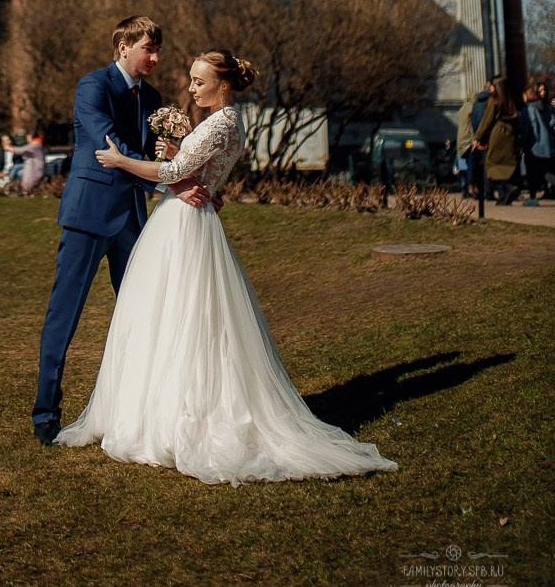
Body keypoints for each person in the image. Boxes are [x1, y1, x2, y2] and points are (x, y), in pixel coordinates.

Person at [55, 50, 398, 484]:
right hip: (193, 217)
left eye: (200, 82)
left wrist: (122, 161)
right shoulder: (230, 122)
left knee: (178, 315)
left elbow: (176, 170)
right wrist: (191, 173)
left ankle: (178, 416)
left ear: (223, 85)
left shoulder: (219, 122)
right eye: (192, 81)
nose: (192, 89)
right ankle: (162, 408)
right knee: (177, 316)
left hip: (183, 225)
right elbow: (194, 172)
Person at [33, 16, 209, 446]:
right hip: (88, 216)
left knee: (145, 313)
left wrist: (176, 156)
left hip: (133, 219)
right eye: (149, 48)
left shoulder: (152, 96)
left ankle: (141, 412)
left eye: (158, 50)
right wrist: (169, 180)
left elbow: (153, 150)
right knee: (65, 314)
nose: (155, 57)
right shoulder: (92, 86)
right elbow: (108, 145)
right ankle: (45, 413)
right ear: (123, 46)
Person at [471, 76, 520, 204]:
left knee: (491, 163)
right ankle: (505, 196)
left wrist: (477, 138)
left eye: (492, 85)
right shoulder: (510, 100)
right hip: (509, 133)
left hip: (497, 133)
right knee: (506, 163)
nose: (491, 88)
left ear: (497, 87)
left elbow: (486, 121)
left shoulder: (493, 100)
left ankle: (508, 187)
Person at [518, 82, 554, 203]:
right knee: (544, 172)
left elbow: (526, 129)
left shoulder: (528, 110)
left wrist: (522, 143)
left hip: (533, 146)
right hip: (545, 144)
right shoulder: (542, 107)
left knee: (533, 173)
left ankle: (533, 198)